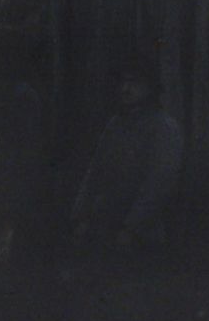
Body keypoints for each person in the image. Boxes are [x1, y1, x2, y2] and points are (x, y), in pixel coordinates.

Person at [70, 63, 184, 261]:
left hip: (144, 235)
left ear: (150, 87)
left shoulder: (164, 127)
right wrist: (82, 216)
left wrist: (132, 228)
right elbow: (95, 172)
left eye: (134, 82)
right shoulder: (115, 125)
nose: (126, 88)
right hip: (105, 228)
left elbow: (159, 184)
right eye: (123, 81)